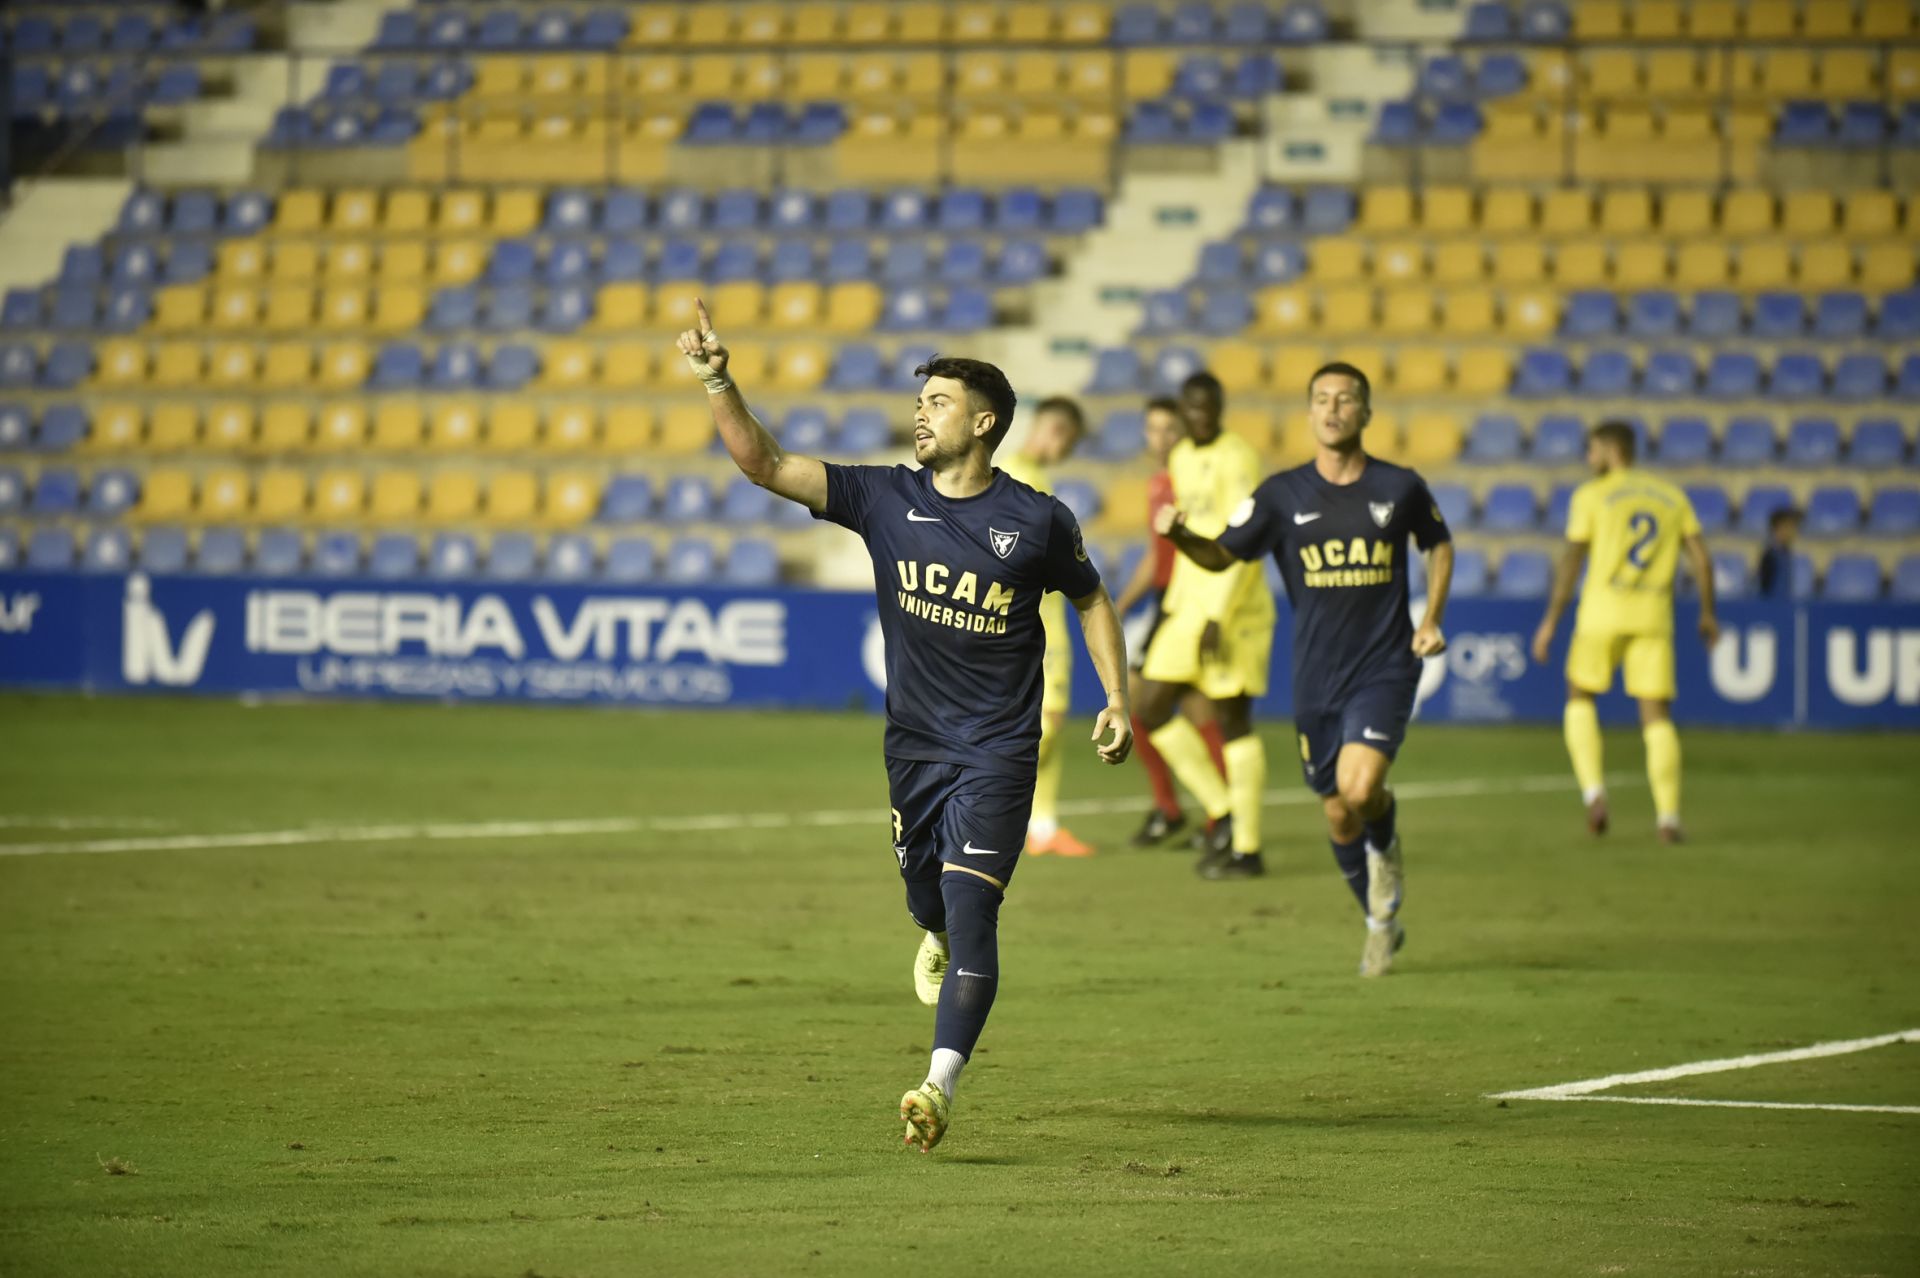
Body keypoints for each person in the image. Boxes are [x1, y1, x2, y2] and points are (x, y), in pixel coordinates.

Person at [676, 302, 1133, 1154]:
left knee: (974, 905)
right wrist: (715, 380)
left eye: (939, 402)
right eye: (919, 401)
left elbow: (1092, 599)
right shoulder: (885, 496)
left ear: (984, 423)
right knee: (929, 900)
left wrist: (1116, 696)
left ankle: (939, 1084)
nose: (920, 413)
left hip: (998, 751)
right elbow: (765, 463)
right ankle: (933, 929)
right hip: (913, 749)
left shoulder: (1038, 520)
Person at [1157, 363, 1453, 976]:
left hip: (1384, 665)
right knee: (1338, 811)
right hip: (1317, 677)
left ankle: (1385, 850)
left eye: (1346, 399)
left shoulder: (1399, 486)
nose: (1333, 408)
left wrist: (1431, 617)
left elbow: (1438, 543)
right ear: (1310, 412)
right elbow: (1220, 555)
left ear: (1366, 412)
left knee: (1361, 789)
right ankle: (1379, 923)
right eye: (1322, 399)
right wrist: (1182, 536)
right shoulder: (1281, 495)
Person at [1530, 420, 1718, 844]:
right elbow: (1704, 562)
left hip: (1601, 613)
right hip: (1653, 616)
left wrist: (1550, 621)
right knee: (1656, 718)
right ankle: (1668, 818)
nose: (1588, 457)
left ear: (1611, 450)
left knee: (1580, 696)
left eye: (1592, 449)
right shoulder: (1671, 496)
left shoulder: (1592, 495)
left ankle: (1594, 793)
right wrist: (1708, 614)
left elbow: (1572, 561)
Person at [1136, 371, 1277, 879]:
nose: (1200, 415)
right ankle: (1224, 810)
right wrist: (1174, 607)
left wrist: (1218, 614)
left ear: (1220, 408)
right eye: (1191, 407)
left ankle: (1247, 848)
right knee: (1150, 706)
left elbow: (1244, 540)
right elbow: (1188, 539)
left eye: (1208, 406)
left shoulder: (1238, 458)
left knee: (1233, 719)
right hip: (1188, 603)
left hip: (1233, 607)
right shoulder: (1180, 458)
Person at [1111, 397, 1229, 847]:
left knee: (1147, 703)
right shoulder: (1158, 482)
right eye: (1153, 429)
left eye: (1169, 429)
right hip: (1166, 601)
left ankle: (1189, 810)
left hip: (1191, 601)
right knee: (1193, 708)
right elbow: (1155, 554)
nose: (1160, 439)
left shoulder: (1192, 481)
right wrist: (1123, 602)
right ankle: (1211, 815)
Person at [998, 396, 1098, 858]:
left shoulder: (1027, 476)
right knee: (1045, 724)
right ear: (1057, 432)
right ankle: (990, 807)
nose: (1065, 452)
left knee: (1049, 724)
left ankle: (1042, 826)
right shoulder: (1020, 479)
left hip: (1042, 621)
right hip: (1034, 625)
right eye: (1068, 443)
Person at [1755, 506, 1803, 600]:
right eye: (1789, 527)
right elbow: (1764, 589)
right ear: (1777, 529)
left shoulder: (1787, 554)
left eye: (1794, 527)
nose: (1793, 531)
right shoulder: (1770, 556)